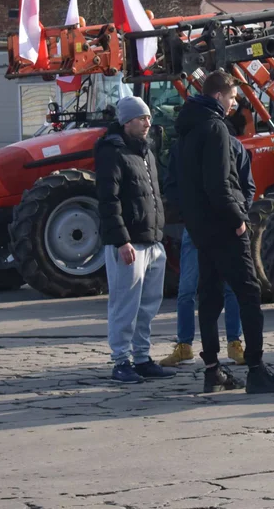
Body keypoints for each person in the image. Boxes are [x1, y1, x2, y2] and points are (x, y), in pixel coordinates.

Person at [176, 70, 274, 393]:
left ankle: (212, 370)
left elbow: (184, 185)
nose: (234, 104)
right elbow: (219, 183)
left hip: (202, 228)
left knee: (210, 297)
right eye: (231, 98)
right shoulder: (214, 128)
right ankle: (257, 370)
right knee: (249, 294)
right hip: (224, 227)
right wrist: (238, 218)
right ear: (219, 96)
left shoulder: (187, 128)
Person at [96, 96, 176, 384]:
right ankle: (121, 361)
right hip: (129, 245)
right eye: (141, 118)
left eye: (148, 118)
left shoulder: (146, 153)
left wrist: (159, 235)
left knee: (148, 305)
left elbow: (153, 196)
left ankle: (141, 358)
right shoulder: (112, 152)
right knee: (124, 305)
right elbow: (109, 201)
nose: (148, 123)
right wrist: (121, 241)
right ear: (127, 121)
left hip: (152, 241)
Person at [158, 132, 248, 369]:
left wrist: (239, 215)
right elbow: (172, 184)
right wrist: (188, 212)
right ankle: (184, 345)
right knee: (187, 289)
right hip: (196, 227)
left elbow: (246, 185)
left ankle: (234, 342)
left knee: (230, 288)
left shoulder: (235, 146)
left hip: (227, 228)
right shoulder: (184, 147)